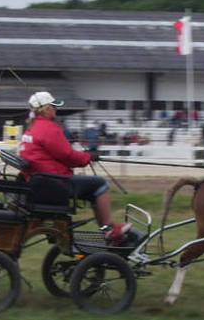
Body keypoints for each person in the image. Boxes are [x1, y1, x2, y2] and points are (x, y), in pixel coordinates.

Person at [18, 91, 131, 246]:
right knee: (100, 184)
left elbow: (61, 154)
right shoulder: (49, 128)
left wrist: (84, 156)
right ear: (46, 109)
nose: (55, 109)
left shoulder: (32, 128)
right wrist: (88, 157)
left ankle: (107, 231)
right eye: (53, 106)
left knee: (92, 188)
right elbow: (67, 156)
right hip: (55, 183)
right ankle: (110, 229)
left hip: (41, 180)